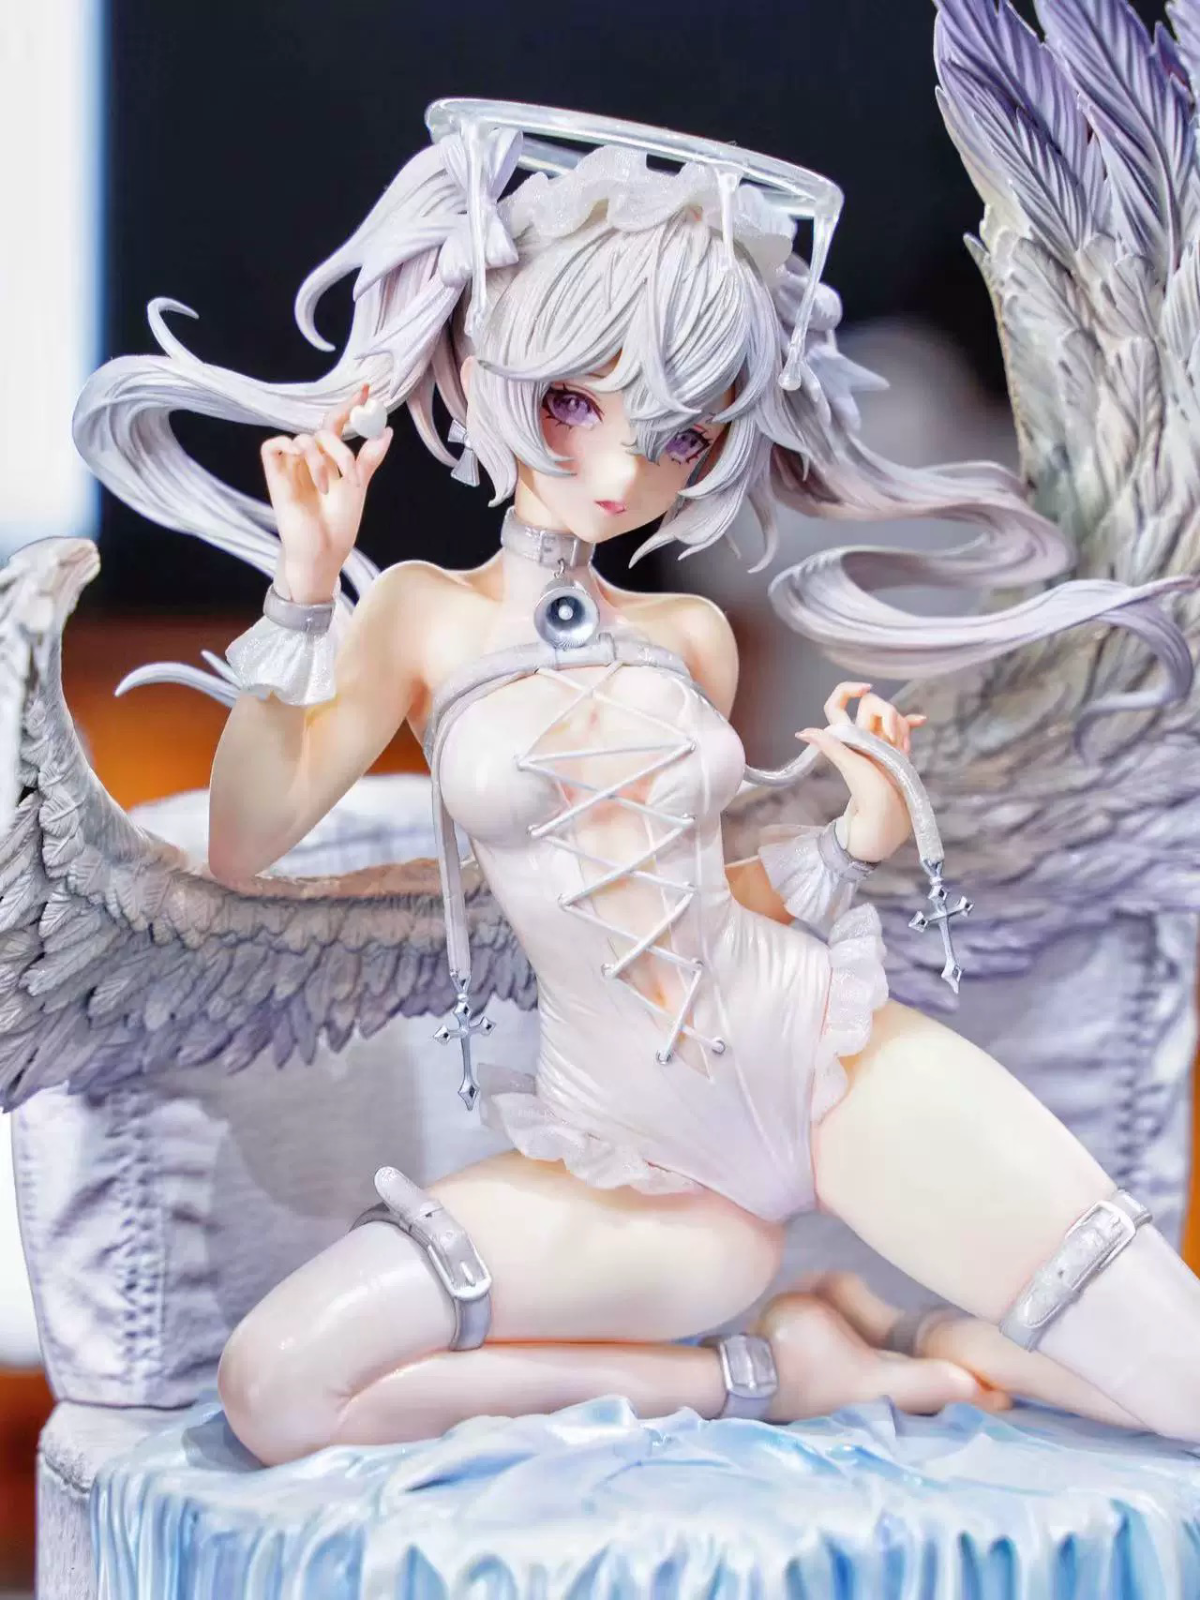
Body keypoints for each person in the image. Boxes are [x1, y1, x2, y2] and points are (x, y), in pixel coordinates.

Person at [73, 103, 1200, 1466]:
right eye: (573, 402)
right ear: (493, 365)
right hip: (640, 1172)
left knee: (1175, 1374)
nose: (622, 471)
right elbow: (244, 843)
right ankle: (781, 1369)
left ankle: (936, 1333)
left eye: (680, 435)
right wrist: (302, 590)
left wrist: (859, 838)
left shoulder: (692, 636)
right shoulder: (423, 615)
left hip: (826, 1062)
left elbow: (724, 891)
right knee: (281, 1387)